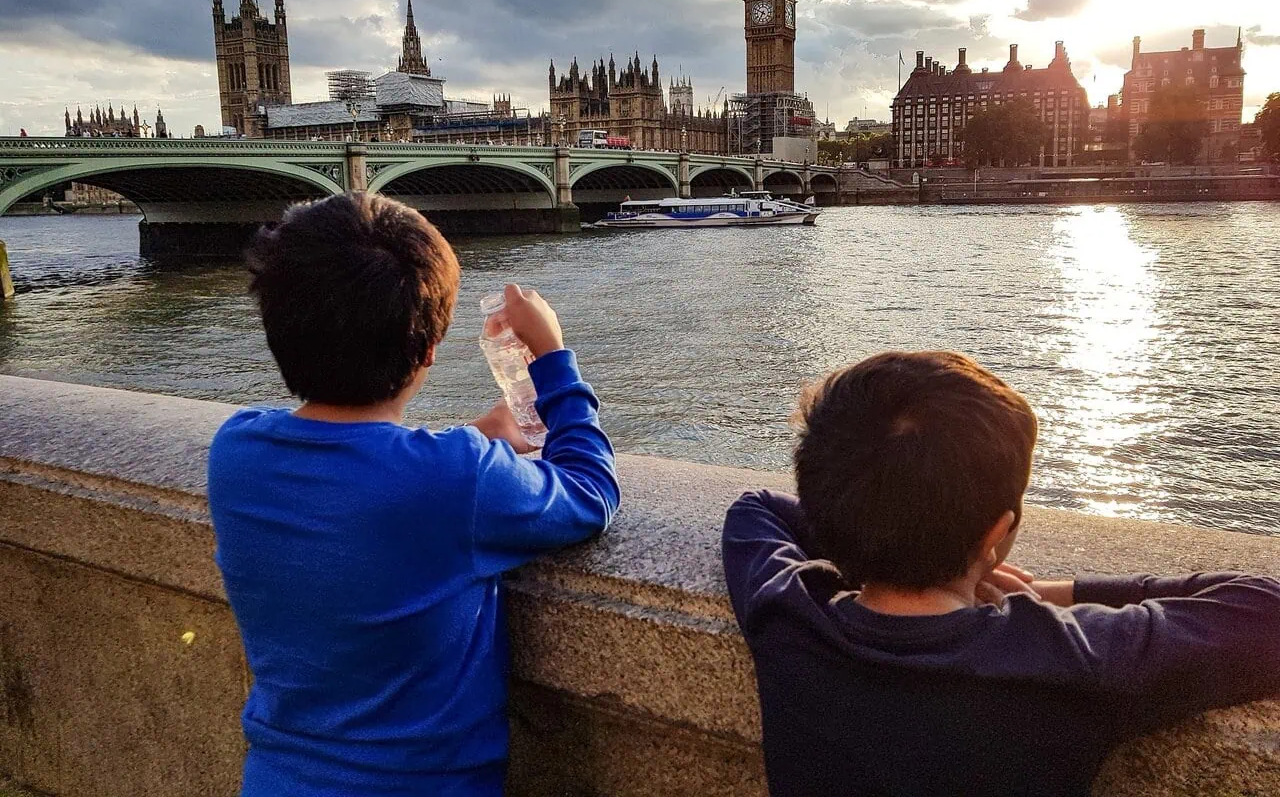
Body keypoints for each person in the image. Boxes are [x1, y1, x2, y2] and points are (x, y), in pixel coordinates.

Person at [722, 350, 1280, 797]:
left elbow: (755, 509)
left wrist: (866, 534)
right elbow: (1264, 607)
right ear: (996, 534)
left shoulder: (786, 616)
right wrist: (1049, 592)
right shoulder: (1067, 661)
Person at [207, 192, 619, 797]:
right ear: (429, 349)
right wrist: (554, 360)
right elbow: (590, 494)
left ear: (276, 329)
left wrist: (477, 436)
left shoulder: (234, 453)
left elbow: (358, 479)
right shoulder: (461, 477)